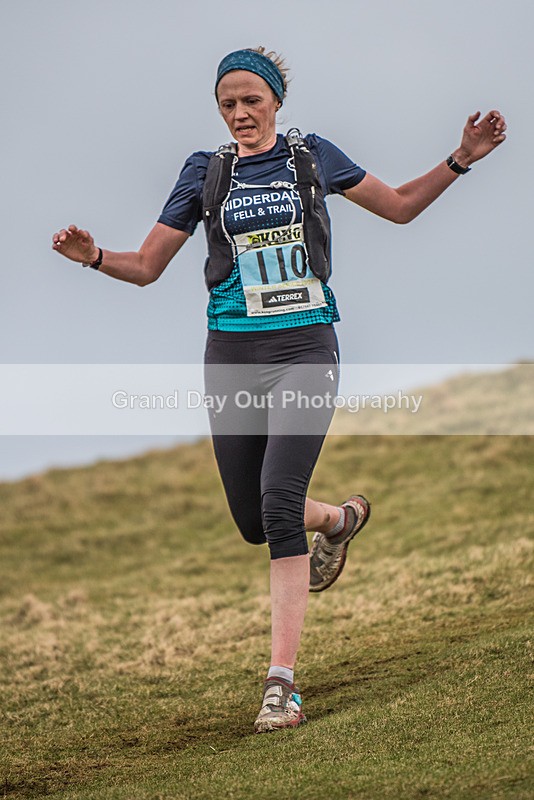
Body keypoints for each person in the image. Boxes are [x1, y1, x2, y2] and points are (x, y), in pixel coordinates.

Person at [52, 46, 507, 734]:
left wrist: (461, 157)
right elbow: (147, 266)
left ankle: (281, 686)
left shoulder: (311, 157)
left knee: (276, 502)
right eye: (227, 104)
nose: (239, 114)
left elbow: (402, 208)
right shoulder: (204, 173)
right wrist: (94, 258)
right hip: (231, 354)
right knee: (253, 518)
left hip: (305, 346)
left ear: (275, 102)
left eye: (250, 101)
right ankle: (337, 520)